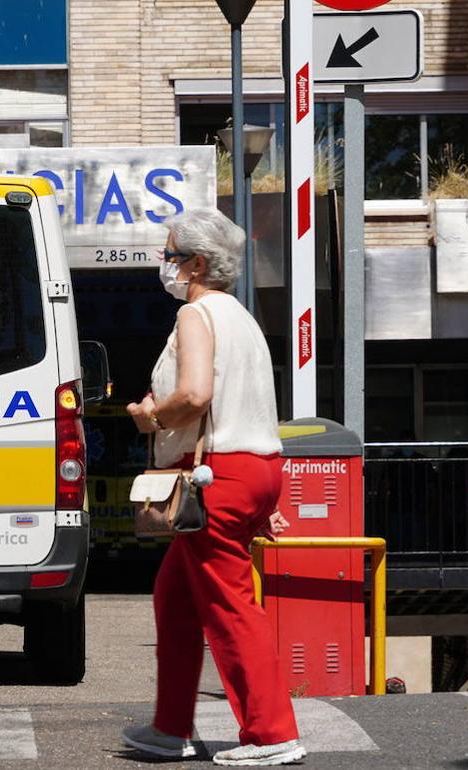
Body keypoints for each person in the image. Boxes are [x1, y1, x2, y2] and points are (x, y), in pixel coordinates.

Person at [119, 208, 306, 767]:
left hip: (215, 476)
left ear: (197, 263)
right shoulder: (242, 319)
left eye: (170, 254)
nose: (164, 264)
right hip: (253, 469)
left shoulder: (195, 316)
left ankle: (272, 733)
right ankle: (170, 726)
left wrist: (149, 415)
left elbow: (195, 395)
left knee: (230, 607)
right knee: (175, 598)